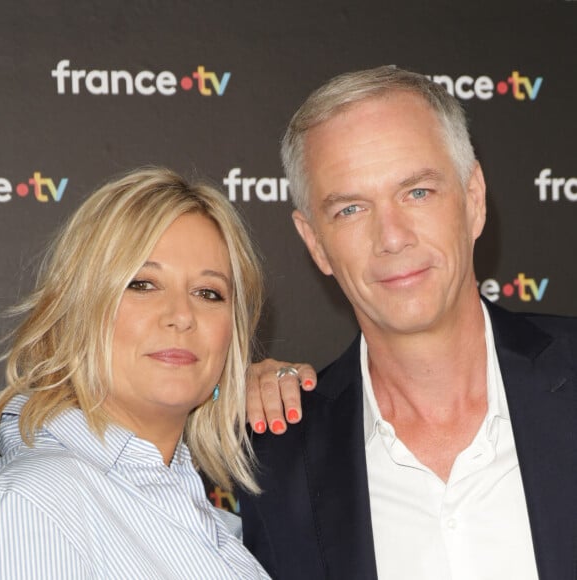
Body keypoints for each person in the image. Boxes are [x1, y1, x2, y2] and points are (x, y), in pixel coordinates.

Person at [239, 65, 577, 580]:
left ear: (473, 200)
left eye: (417, 192)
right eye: (351, 209)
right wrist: (216, 395)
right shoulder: (273, 464)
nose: (392, 237)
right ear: (314, 243)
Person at [0, 167, 271, 579]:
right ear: (80, 308)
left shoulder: (214, 527)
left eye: (208, 293)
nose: (181, 316)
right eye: (143, 284)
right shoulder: (41, 501)